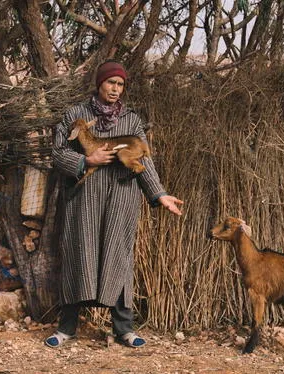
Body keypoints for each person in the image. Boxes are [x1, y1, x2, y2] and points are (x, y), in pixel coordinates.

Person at [47, 60, 183, 348]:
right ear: (100, 83)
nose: (115, 89)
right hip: (84, 201)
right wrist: (86, 160)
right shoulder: (76, 114)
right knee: (78, 257)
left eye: (120, 84)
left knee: (117, 258)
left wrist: (159, 194)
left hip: (121, 199)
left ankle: (124, 329)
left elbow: (143, 160)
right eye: (111, 83)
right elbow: (58, 153)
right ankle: (66, 328)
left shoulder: (131, 120)